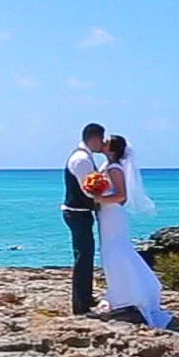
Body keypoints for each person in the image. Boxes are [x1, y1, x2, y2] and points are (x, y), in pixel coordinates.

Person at [92, 135, 173, 329]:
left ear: (112, 148)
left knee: (115, 251)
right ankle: (122, 291)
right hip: (107, 215)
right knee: (113, 251)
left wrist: (97, 200)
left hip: (112, 214)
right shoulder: (110, 166)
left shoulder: (113, 168)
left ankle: (128, 294)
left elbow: (121, 196)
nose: (102, 143)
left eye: (106, 141)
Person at [61, 123, 107, 315]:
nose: (102, 144)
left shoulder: (84, 157)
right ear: (94, 138)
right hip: (77, 212)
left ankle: (85, 297)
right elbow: (87, 190)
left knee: (86, 255)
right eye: (101, 140)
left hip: (80, 212)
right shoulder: (81, 160)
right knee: (83, 257)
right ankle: (81, 303)